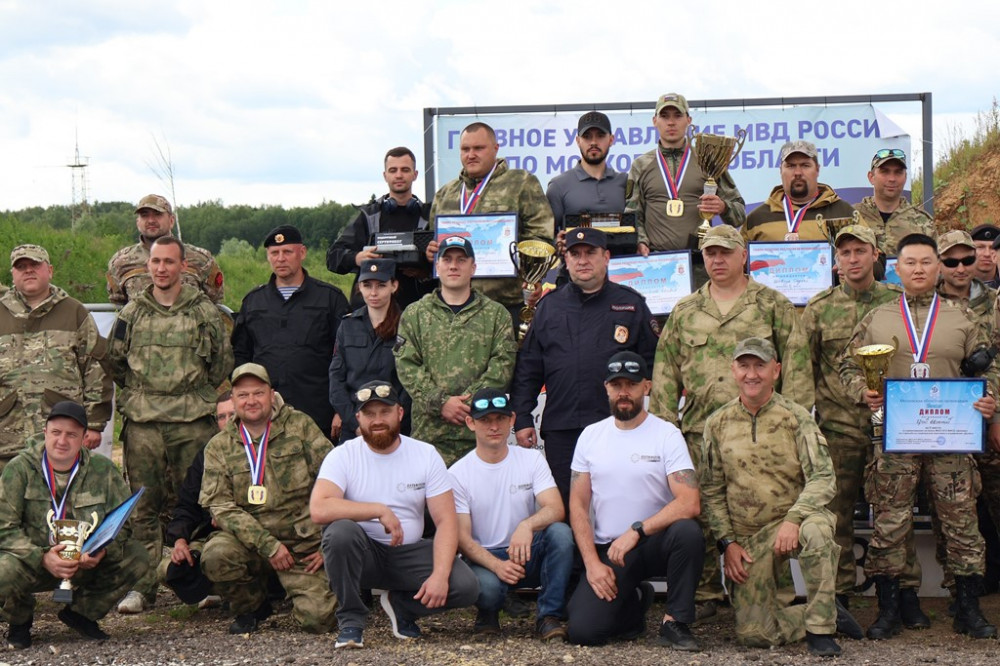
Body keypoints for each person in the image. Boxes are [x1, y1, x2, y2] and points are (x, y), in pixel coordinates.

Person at [649, 224, 814, 619]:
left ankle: (767, 592)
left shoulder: (772, 304)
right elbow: (665, 372)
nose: (718, 260)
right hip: (699, 432)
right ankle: (705, 593)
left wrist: (793, 424)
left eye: (726, 252)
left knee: (762, 508)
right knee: (701, 512)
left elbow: (796, 364)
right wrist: (664, 431)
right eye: (710, 253)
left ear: (744, 255)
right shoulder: (685, 311)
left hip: (760, 432)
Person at [840, 232, 999, 639]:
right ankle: (889, 609)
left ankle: (967, 608)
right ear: (897, 267)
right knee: (890, 523)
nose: (918, 269)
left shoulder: (962, 316)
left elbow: (991, 366)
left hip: (952, 438)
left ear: (938, 267)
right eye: (910, 262)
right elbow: (847, 366)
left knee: (961, 522)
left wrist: (990, 398)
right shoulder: (878, 317)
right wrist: (862, 391)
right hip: (896, 439)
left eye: (927, 262)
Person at [701, 338, 859, 657]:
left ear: (776, 370)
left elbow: (823, 477)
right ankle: (821, 612)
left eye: (760, 366)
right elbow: (712, 490)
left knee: (818, 532)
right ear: (733, 370)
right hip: (750, 539)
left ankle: (821, 629)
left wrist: (794, 518)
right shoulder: (717, 423)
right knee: (754, 634)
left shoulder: (796, 417)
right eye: (744, 366)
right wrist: (727, 543)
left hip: (795, 521)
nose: (752, 374)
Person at [107, 236, 234, 614]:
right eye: (156, 262)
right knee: (143, 506)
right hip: (144, 424)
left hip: (192, 423)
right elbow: (116, 362)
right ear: (148, 266)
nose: (161, 268)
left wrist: (191, 396)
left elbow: (221, 364)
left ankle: (201, 583)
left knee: (196, 502)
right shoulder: (132, 313)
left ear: (183, 266)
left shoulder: (204, 312)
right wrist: (143, 397)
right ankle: (143, 587)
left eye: (169, 262)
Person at [312, 380, 479, 649]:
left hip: (408, 554)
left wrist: (439, 575)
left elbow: (446, 520)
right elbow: (319, 508)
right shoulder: (342, 455)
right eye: (369, 414)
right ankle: (351, 621)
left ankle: (403, 607)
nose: (378, 420)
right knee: (339, 532)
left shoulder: (425, 454)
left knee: (466, 586)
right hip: (363, 556)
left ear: (400, 413)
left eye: (385, 412)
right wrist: (378, 510)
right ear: (358, 418)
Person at [510, 227, 658, 508]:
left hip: (617, 426)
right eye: (575, 254)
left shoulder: (630, 304)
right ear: (565, 260)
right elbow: (529, 369)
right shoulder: (549, 306)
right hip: (563, 429)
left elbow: (653, 366)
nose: (582, 260)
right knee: (568, 509)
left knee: (620, 506)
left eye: (590, 253)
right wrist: (523, 419)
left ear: (606, 257)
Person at [566, 351, 703, 649]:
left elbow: (690, 502)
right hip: (612, 550)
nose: (624, 392)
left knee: (688, 532)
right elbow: (577, 505)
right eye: (617, 385)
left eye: (632, 384)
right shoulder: (590, 436)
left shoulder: (667, 435)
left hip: (655, 542)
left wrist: (637, 531)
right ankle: (635, 604)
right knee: (584, 632)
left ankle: (675, 622)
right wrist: (592, 563)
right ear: (606, 387)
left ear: (647, 387)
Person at [800, 225, 902, 609]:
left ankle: (901, 592)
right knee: (835, 515)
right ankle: (838, 594)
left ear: (876, 254)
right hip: (837, 429)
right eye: (846, 252)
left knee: (895, 513)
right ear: (836, 260)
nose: (853, 258)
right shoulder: (819, 307)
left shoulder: (897, 302)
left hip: (891, 428)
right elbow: (803, 368)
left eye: (861, 251)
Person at [199, 363, 336, 634]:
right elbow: (220, 506)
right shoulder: (219, 446)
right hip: (251, 544)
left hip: (302, 545)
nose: (251, 401)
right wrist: (267, 545)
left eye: (258, 393)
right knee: (216, 555)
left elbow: (336, 480)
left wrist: (330, 543)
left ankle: (302, 595)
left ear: (271, 395)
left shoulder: (300, 426)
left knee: (320, 621)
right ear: (233, 400)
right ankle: (252, 606)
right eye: (243, 395)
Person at [0, 401, 149, 649]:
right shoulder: (19, 469)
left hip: (83, 560)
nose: (62, 441)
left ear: (83, 438)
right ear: (45, 432)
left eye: (71, 434)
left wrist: (101, 551)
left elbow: (124, 523)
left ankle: (81, 613)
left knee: (137, 556)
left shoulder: (103, 470)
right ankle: (19, 619)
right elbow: (4, 528)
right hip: (32, 563)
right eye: (56, 432)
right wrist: (42, 557)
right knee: (3, 569)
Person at [450, 387, 573, 639]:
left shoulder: (532, 459)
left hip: (526, 550)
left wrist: (527, 526)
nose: (494, 426)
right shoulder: (457, 474)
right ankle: (488, 614)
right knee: (487, 588)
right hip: (485, 557)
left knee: (561, 534)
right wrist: (497, 565)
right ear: (471, 423)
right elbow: (462, 538)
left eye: (500, 418)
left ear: (512, 420)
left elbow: (556, 508)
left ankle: (548, 616)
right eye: (485, 420)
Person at [395, 236, 516, 464]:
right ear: (437, 266)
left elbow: (502, 366)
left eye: (461, 260)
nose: (453, 266)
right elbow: (407, 365)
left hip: (478, 435)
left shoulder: (497, 315)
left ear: (473, 268)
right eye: (447, 259)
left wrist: (466, 405)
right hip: (429, 438)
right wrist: (440, 402)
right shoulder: (414, 314)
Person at [426, 122, 555, 318]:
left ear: (495, 149)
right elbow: (433, 241)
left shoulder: (521, 183)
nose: (471, 155)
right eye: (465, 149)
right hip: (454, 307)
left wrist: (532, 274)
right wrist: (431, 251)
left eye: (478, 148)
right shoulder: (445, 194)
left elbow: (540, 235)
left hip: (506, 304)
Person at [232, 225, 350, 440]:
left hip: (318, 412)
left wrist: (342, 409)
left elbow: (346, 357)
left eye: (287, 252)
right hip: (266, 414)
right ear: (268, 256)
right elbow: (241, 356)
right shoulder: (254, 302)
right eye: (274, 253)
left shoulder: (329, 299)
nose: (281, 259)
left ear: (302, 253)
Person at [0, 244, 112, 469]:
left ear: (49, 270)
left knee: (61, 493)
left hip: (62, 439)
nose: (28, 270)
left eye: (35, 265)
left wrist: (94, 423)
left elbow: (96, 368)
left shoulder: (74, 311)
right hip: (7, 438)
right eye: (21, 267)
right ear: (13, 274)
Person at [624, 92, 745, 287]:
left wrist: (723, 207)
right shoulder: (641, 165)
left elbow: (739, 214)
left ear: (688, 120)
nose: (671, 122)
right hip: (657, 266)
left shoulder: (707, 160)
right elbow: (632, 213)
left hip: (700, 268)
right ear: (655, 121)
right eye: (665, 116)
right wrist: (641, 241)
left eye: (677, 116)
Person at [327, 147, 435, 310]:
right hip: (371, 312)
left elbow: (452, 262)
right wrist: (357, 258)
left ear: (415, 174)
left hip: (418, 310)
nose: (399, 175)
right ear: (385, 175)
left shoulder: (430, 216)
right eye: (393, 170)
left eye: (405, 170)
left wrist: (425, 271)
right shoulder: (369, 216)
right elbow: (333, 257)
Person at [157, 391, 238, 609]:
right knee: (167, 569)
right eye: (221, 417)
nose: (227, 421)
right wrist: (180, 541)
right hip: (211, 535)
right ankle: (221, 591)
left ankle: (252, 596)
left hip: (248, 535)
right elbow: (187, 505)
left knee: (218, 555)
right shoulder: (206, 454)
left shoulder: (261, 449)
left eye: (232, 415)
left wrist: (227, 518)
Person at [328, 258, 411, 443]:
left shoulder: (407, 325)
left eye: (381, 285)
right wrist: (355, 424)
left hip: (395, 426)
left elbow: (410, 381)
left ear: (394, 286)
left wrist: (396, 419)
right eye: (367, 285)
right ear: (359, 287)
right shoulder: (348, 325)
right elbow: (336, 379)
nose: (373, 292)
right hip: (355, 425)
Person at [107, 193, 224, 306]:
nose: (151, 220)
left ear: (171, 220)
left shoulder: (201, 259)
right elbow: (117, 305)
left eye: (157, 214)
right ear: (138, 222)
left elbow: (215, 302)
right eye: (144, 215)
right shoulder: (120, 262)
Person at [743, 140, 858, 242]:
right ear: (780, 170)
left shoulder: (845, 213)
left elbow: (865, 253)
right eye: (791, 166)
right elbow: (739, 258)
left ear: (817, 169)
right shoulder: (756, 219)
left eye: (805, 165)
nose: (798, 172)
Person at [545, 111, 628, 227]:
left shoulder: (626, 182)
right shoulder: (558, 186)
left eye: (600, 136)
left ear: (611, 140)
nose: (593, 142)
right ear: (578, 141)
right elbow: (547, 234)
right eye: (587, 136)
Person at [854, 149, 935, 256]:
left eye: (898, 172)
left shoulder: (923, 222)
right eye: (885, 171)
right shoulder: (852, 216)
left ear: (905, 177)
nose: (892, 179)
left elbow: (933, 262)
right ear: (871, 177)